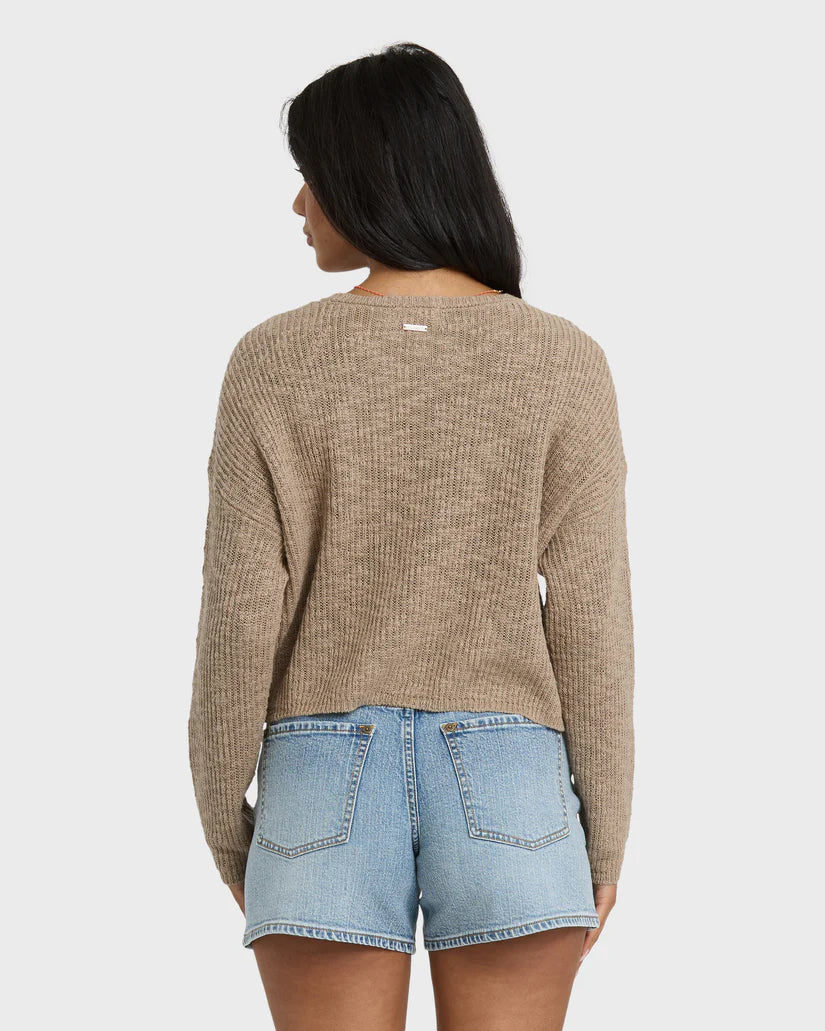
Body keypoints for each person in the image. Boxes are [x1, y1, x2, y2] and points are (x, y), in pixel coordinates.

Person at [188, 41, 634, 1030]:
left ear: (365, 174)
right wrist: (602, 838)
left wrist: (228, 822)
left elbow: (239, 616)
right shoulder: (562, 360)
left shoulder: (273, 360)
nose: (299, 202)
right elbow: (590, 618)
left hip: (318, 780)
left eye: (311, 173)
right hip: (514, 781)